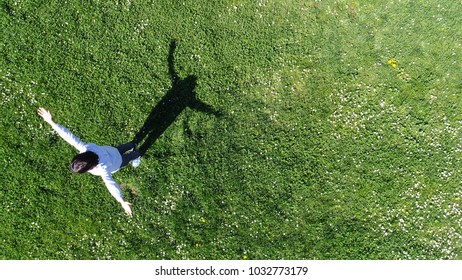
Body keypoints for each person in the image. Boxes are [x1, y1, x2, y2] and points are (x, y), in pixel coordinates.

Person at [37, 107, 140, 217]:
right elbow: (69, 137)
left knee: (129, 157)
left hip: (118, 162)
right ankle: (133, 145)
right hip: (111, 150)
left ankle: (137, 155)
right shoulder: (86, 148)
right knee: (121, 148)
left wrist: (122, 201)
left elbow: (111, 184)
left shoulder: (103, 168)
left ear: (89, 168)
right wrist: (51, 122)